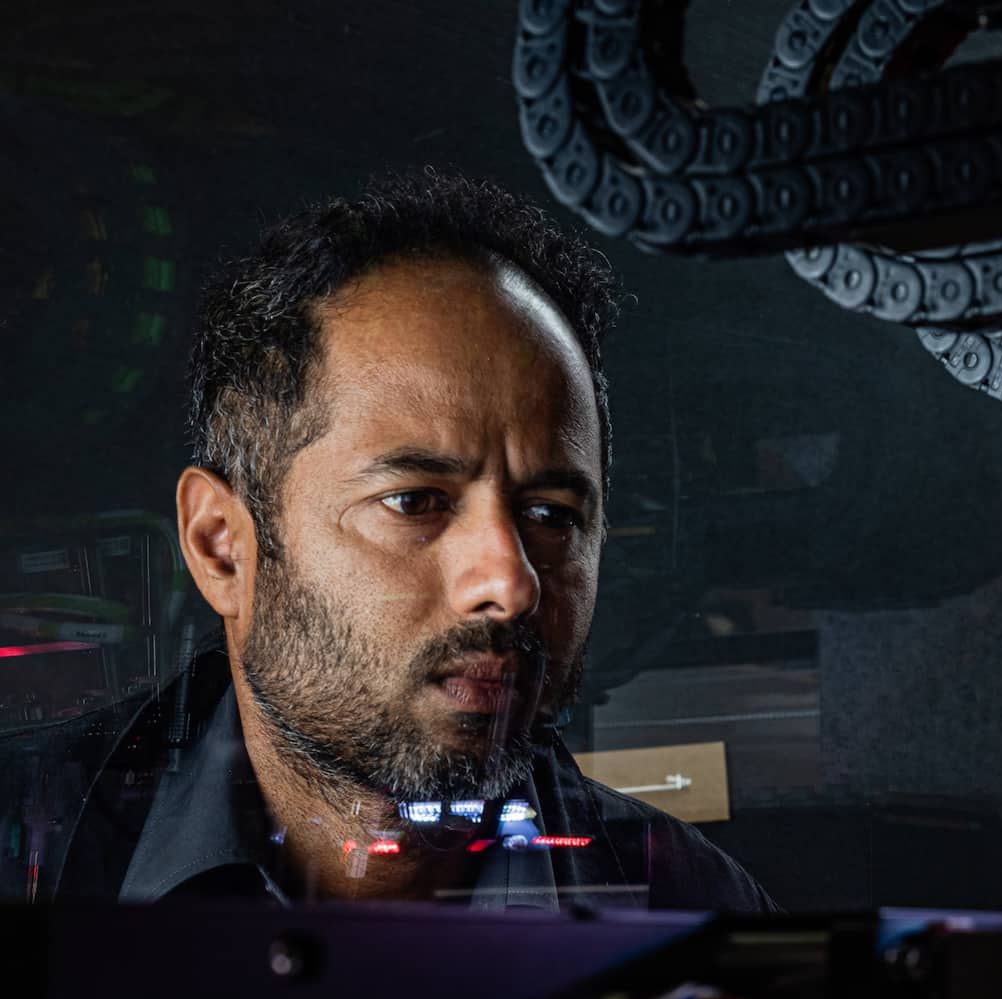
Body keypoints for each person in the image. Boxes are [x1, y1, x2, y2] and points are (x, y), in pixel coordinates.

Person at [0, 170, 774, 912]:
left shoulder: (694, 910)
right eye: (414, 501)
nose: (510, 583)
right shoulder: (25, 850)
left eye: (551, 515)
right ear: (222, 546)